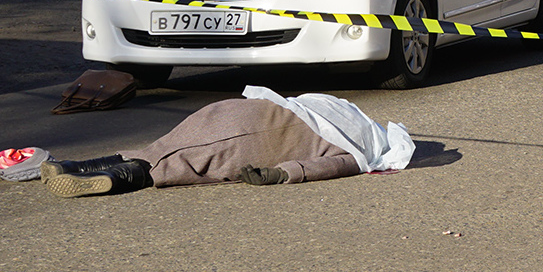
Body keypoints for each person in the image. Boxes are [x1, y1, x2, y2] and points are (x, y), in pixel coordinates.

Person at [40, 86, 414, 197]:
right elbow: (329, 166)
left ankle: (78, 165)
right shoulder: (363, 150)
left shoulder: (337, 106)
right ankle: (118, 178)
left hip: (241, 111)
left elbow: (289, 101)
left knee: (167, 145)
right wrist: (281, 175)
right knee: (178, 165)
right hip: (259, 140)